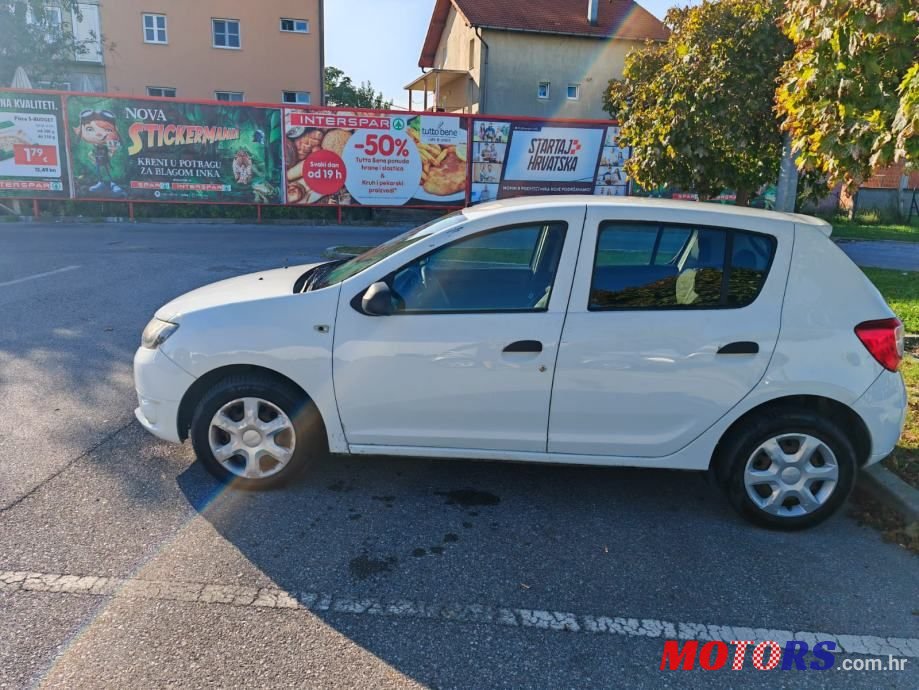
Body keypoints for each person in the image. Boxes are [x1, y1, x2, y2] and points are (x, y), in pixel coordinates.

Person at [73, 109, 123, 195]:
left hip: (106, 160)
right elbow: (90, 154)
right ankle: (101, 183)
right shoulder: (90, 147)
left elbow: (115, 154)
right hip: (98, 161)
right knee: (98, 170)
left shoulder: (110, 145)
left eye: (108, 130)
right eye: (89, 129)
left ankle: (113, 184)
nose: (99, 134)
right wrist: (92, 156)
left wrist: (112, 153)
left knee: (108, 171)